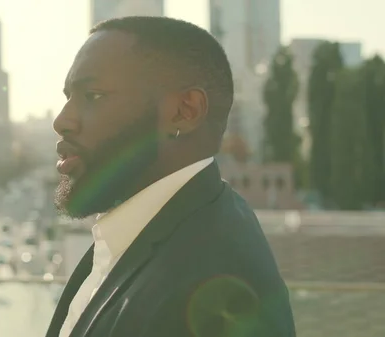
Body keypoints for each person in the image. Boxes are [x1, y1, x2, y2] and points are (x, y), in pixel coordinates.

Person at [46, 16, 295, 337]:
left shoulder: (214, 287)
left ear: (185, 111)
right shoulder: (165, 229)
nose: (61, 121)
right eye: (68, 97)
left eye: (93, 95)